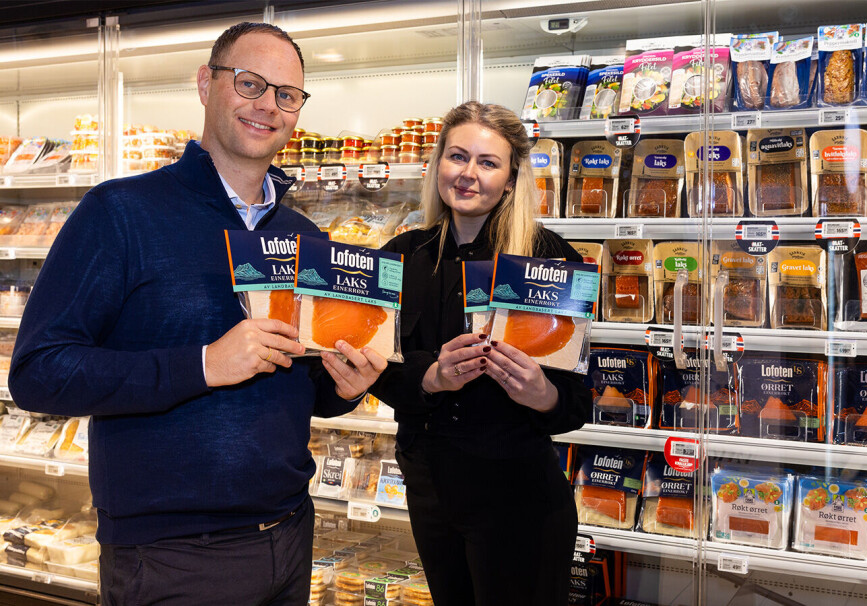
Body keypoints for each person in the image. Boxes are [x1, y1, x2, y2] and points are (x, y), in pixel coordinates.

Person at [9, 22, 386, 605]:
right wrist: (204, 363)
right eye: (249, 83)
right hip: (171, 555)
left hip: (289, 537)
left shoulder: (304, 236)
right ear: (206, 86)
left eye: (287, 94)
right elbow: (39, 371)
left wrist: (345, 387)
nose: (268, 105)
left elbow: (303, 388)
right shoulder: (121, 213)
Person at [370, 101, 591, 606]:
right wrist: (432, 378)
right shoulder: (403, 256)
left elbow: (578, 402)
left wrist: (541, 393)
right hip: (430, 491)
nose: (468, 174)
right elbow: (376, 366)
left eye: (488, 163)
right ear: (437, 165)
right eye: (457, 157)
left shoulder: (549, 259)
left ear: (511, 179)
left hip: (518, 498)